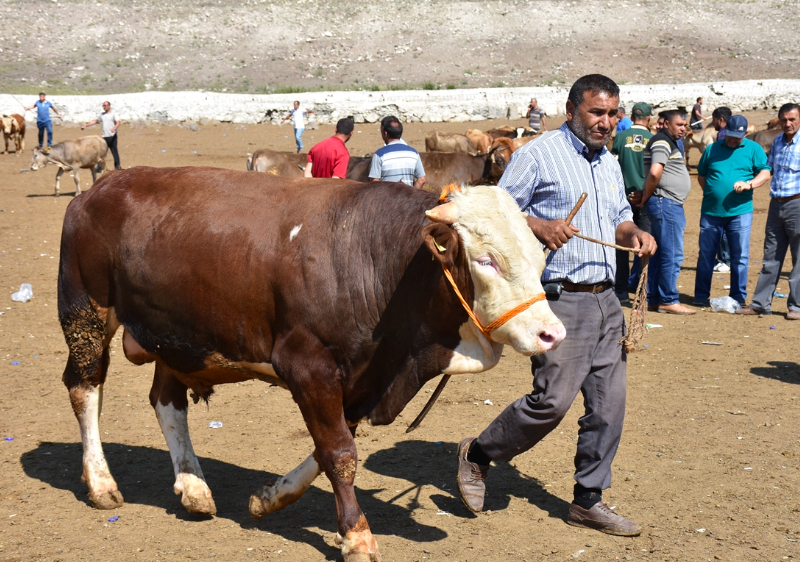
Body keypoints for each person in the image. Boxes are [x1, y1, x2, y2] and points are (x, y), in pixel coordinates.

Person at [456, 74, 656, 537]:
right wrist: (540, 226)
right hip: (560, 299)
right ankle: (478, 454)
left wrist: (635, 236)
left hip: (607, 299)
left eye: (612, 113)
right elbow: (495, 216)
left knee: (610, 406)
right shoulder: (537, 154)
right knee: (551, 403)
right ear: (571, 110)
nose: (606, 122)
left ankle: (589, 499)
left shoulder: (608, 162)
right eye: (596, 112)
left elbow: (619, 219)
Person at [692, 115, 772, 307]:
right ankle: (701, 296)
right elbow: (702, 176)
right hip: (711, 212)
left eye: (737, 136)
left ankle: (738, 296)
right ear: (725, 131)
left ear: (745, 133)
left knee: (740, 256)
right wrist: (713, 193)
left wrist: (749, 184)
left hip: (740, 212)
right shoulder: (712, 148)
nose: (732, 139)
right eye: (729, 135)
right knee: (706, 255)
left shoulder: (754, 149)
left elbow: (765, 172)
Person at [737, 103, 800, 319]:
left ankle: (796, 306)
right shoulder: (778, 142)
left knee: (799, 257)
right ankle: (760, 303)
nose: (787, 123)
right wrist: (750, 184)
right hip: (776, 205)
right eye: (784, 119)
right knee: (770, 255)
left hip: (797, 204)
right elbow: (768, 170)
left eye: (792, 119)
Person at [636, 109, 694, 314]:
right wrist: (646, 196)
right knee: (672, 253)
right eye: (679, 125)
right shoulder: (661, 141)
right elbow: (655, 171)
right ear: (666, 123)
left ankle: (653, 298)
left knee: (660, 253)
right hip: (666, 203)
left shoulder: (666, 141)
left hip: (664, 202)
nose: (683, 129)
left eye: (685, 125)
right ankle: (668, 299)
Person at [611, 102, 653, 303]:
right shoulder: (654, 140)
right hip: (646, 199)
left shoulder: (620, 137)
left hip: (622, 199)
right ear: (649, 118)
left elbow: (611, 165)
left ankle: (620, 290)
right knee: (644, 243)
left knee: (622, 244)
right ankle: (640, 288)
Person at [368, 116, 426, 189]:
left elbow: (375, 182)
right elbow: (422, 179)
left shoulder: (379, 154)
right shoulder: (414, 153)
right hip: (408, 199)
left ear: (385, 133)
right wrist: (412, 195)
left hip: (388, 199)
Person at [710, 106, 734, 272]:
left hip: (724, 185)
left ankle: (726, 259)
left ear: (720, 120)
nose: (712, 123)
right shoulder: (731, 135)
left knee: (722, 224)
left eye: (713, 119)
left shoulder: (723, 135)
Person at [81, 101, 122, 170]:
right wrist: (86, 125)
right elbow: (96, 121)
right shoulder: (102, 115)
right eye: (103, 106)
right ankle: (100, 167)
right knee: (102, 153)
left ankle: (117, 166)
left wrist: (114, 128)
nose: (104, 107)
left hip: (112, 136)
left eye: (105, 105)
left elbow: (118, 122)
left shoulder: (113, 114)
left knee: (114, 151)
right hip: (104, 137)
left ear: (109, 106)